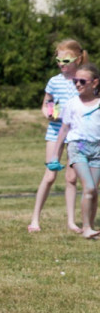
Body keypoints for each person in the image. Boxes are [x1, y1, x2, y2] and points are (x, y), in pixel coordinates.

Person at [28, 39, 87, 233]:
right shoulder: (54, 82)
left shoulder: (83, 81)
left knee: (71, 178)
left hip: (75, 135)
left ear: (78, 60)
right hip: (55, 132)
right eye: (59, 60)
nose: (62, 64)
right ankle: (35, 219)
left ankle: (71, 221)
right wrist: (49, 113)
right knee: (50, 175)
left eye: (66, 60)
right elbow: (47, 104)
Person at [51, 62, 100, 239]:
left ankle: (91, 227)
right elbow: (63, 130)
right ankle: (86, 228)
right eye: (75, 82)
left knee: (93, 190)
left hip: (98, 150)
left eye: (82, 81)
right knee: (88, 187)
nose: (78, 84)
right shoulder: (72, 104)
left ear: (94, 83)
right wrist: (54, 156)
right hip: (78, 147)